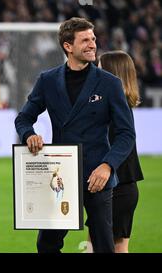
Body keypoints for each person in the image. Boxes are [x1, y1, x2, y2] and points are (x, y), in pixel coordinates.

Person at [14, 17, 136, 253]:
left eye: (93, 39)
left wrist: (108, 165)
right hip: (61, 175)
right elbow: (23, 118)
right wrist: (29, 134)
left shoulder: (110, 83)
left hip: (97, 177)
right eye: (85, 40)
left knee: (103, 245)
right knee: (46, 245)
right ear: (68, 47)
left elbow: (126, 133)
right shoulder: (47, 80)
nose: (92, 45)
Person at [86, 50, 144, 253]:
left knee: (107, 248)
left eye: (100, 68)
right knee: (103, 246)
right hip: (118, 187)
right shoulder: (119, 106)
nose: (95, 73)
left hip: (117, 188)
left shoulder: (115, 110)